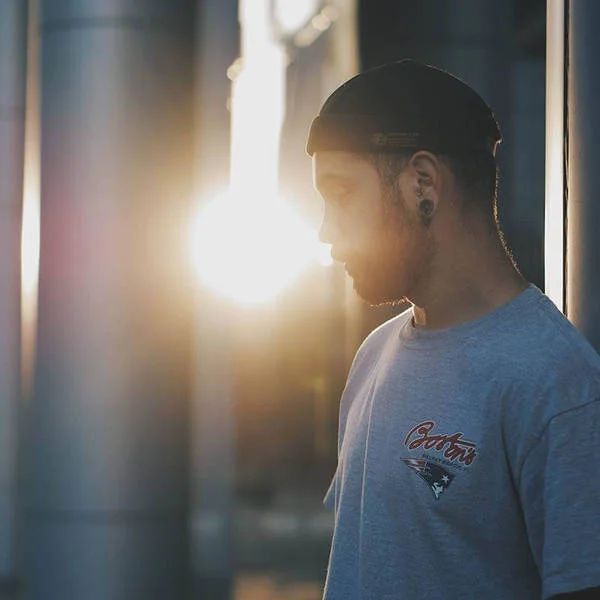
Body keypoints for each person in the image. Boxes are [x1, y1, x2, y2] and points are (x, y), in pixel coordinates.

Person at [306, 59, 600, 600]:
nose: (326, 231)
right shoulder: (374, 355)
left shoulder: (557, 383)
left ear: (423, 183)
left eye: (341, 194)